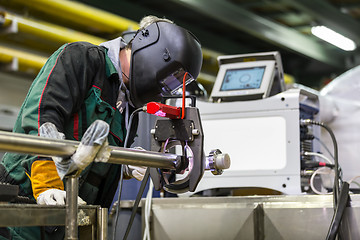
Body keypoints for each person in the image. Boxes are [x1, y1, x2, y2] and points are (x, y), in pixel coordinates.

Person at [0, 15, 202, 239]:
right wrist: (47, 183)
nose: (162, 90)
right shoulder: (82, 58)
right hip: (27, 203)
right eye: (168, 81)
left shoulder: (127, 101)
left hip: (74, 214)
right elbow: (41, 115)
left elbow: (94, 153)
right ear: (152, 51)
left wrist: (125, 163)